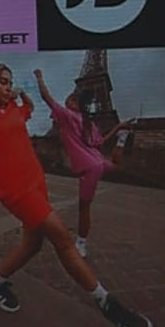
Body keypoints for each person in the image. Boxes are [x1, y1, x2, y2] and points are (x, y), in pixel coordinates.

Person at [0, 63, 148, 327]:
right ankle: (106, 303)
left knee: (33, 245)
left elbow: (30, 108)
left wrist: (21, 94)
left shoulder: (13, 109)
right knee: (63, 240)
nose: (8, 87)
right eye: (2, 82)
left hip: (37, 184)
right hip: (18, 193)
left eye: (10, 82)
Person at [32, 70, 113, 239]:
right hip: (98, 162)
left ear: (75, 104)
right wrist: (118, 129)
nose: (67, 100)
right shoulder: (88, 123)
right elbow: (99, 142)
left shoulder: (68, 115)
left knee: (84, 208)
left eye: (70, 98)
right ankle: (121, 143)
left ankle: (81, 242)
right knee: (113, 167)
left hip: (90, 167)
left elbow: (47, 97)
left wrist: (40, 77)